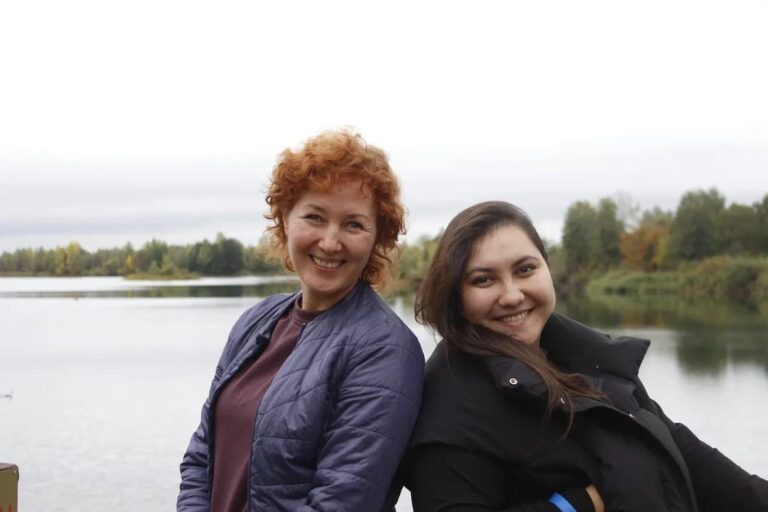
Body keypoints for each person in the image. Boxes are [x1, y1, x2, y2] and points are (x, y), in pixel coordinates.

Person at [402, 201, 768, 512]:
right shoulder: (450, 409)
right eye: (483, 279)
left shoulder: (587, 357)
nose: (512, 295)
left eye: (525, 269)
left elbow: (680, 451)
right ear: (454, 294)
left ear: (547, 269)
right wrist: (576, 504)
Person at [178, 130, 425, 512]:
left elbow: (343, 500)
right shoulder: (255, 322)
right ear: (285, 221)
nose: (329, 242)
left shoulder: (385, 350)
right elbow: (201, 456)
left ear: (377, 239)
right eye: (314, 217)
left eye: (353, 225)